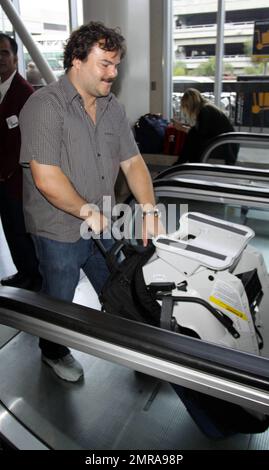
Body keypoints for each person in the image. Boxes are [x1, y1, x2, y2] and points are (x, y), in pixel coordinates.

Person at [19, 22, 163, 383]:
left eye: (117, 64)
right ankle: (53, 351)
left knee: (123, 287)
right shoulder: (44, 106)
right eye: (105, 64)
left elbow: (133, 163)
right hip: (58, 229)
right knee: (60, 298)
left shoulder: (113, 108)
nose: (113, 73)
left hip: (102, 223)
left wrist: (148, 209)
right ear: (76, 60)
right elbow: (46, 178)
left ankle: (141, 350)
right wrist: (89, 213)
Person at [0, 33, 42, 291]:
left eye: (4, 53)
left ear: (15, 58)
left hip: (19, 182)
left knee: (22, 232)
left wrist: (6, 173)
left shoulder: (25, 94)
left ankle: (34, 280)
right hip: (3, 181)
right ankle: (23, 274)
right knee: (10, 231)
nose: (0, 59)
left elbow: (29, 142)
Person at [173, 88, 239, 164]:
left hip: (224, 146)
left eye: (186, 106)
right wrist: (184, 127)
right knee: (192, 134)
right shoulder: (207, 108)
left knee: (192, 136)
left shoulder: (205, 111)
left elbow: (201, 134)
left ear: (191, 104)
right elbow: (202, 131)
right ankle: (182, 163)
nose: (187, 109)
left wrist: (182, 128)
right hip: (226, 145)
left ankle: (181, 164)